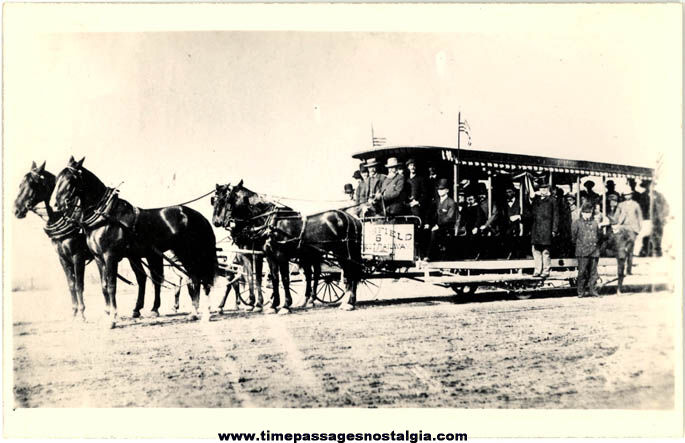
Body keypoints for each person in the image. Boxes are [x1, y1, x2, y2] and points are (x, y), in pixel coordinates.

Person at [611, 187, 643, 294]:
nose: (627, 196)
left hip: (632, 229)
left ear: (632, 195)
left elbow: (640, 218)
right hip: (623, 228)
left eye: (629, 194)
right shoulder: (621, 205)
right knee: (621, 250)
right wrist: (615, 223)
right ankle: (622, 268)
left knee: (630, 248)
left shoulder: (635, 205)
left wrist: (638, 229)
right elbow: (616, 217)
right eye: (625, 194)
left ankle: (629, 269)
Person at [572, 203, 604, 297]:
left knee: (593, 273)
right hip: (582, 252)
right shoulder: (577, 223)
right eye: (585, 213)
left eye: (589, 213)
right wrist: (580, 246)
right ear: (582, 213)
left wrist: (597, 247)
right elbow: (573, 237)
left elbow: (599, 236)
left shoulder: (594, 223)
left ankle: (593, 291)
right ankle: (580, 292)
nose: (587, 215)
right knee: (582, 272)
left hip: (594, 251)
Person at [529, 182, 558, 278]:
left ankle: (546, 271)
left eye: (545, 189)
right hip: (536, 229)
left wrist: (554, 229)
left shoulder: (552, 200)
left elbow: (556, 216)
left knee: (546, 252)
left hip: (547, 229)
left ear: (548, 190)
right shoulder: (536, 201)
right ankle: (537, 270)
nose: (543, 191)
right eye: (541, 189)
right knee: (536, 251)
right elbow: (532, 214)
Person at [428, 178, 456, 260]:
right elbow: (431, 214)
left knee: (434, 232)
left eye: (442, 189)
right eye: (439, 189)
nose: (440, 191)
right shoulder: (436, 202)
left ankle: (430, 256)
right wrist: (428, 223)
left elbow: (449, 217)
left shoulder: (451, 202)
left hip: (447, 226)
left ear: (447, 190)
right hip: (436, 224)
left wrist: (438, 225)